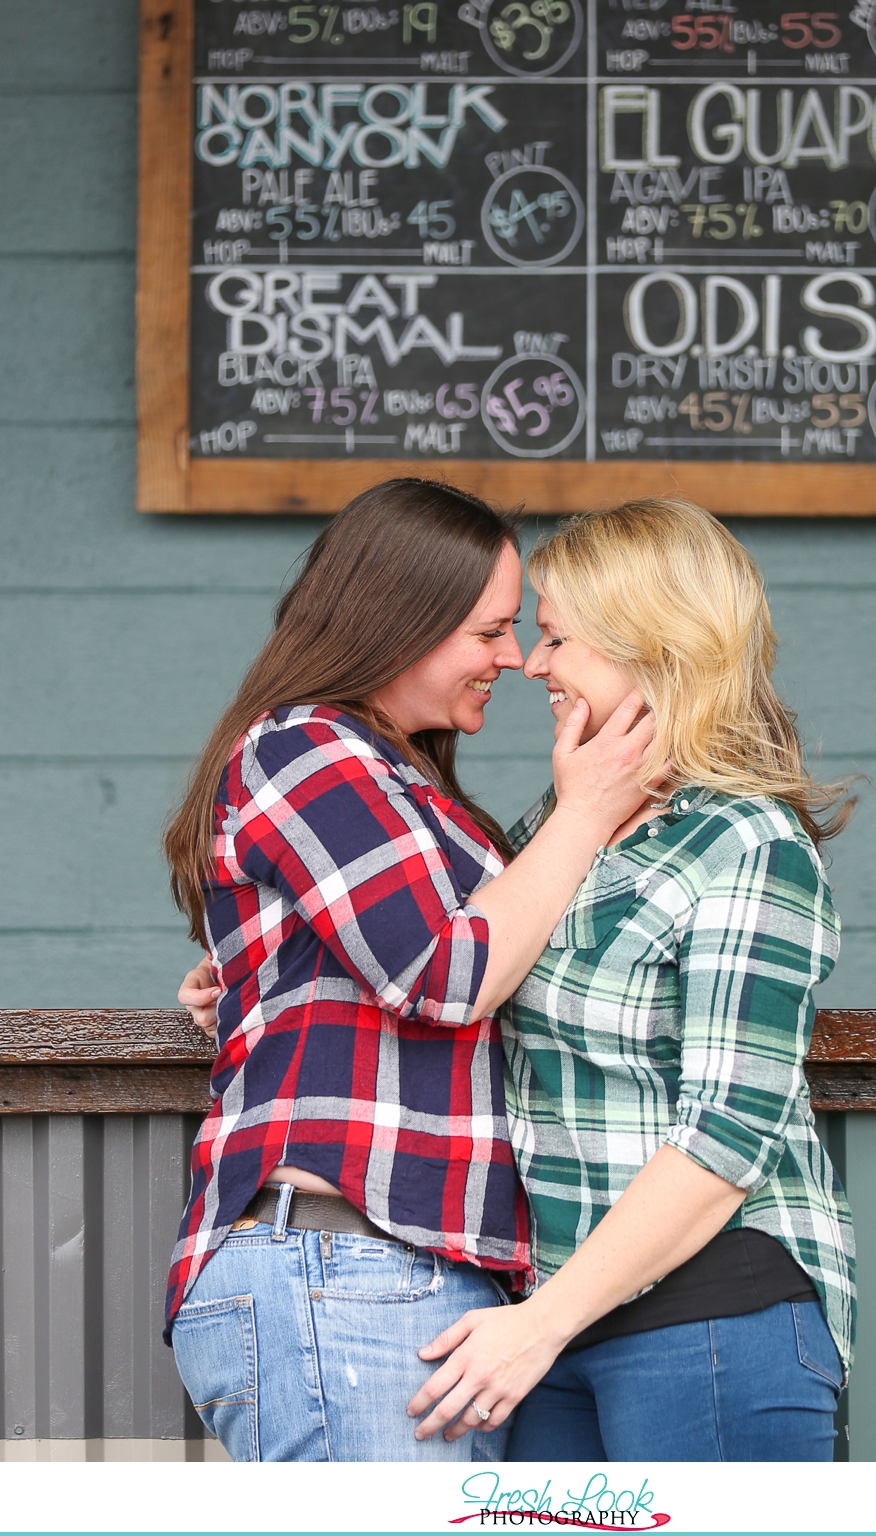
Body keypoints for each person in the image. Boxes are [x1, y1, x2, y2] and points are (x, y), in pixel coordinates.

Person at [163, 477, 655, 1463]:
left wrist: (252, 985)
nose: (514, 660)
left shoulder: (412, 791)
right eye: (491, 631)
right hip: (344, 1263)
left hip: (402, 1272)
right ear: (401, 623)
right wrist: (587, 812)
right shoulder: (307, 745)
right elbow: (441, 971)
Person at [404, 499, 856, 1463]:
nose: (531, 662)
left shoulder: (746, 842)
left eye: (557, 637)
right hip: (560, 1322)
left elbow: (726, 1137)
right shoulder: (555, 827)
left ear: (651, 647)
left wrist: (536, 1324)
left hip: (711, 1314)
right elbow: (452, 961)